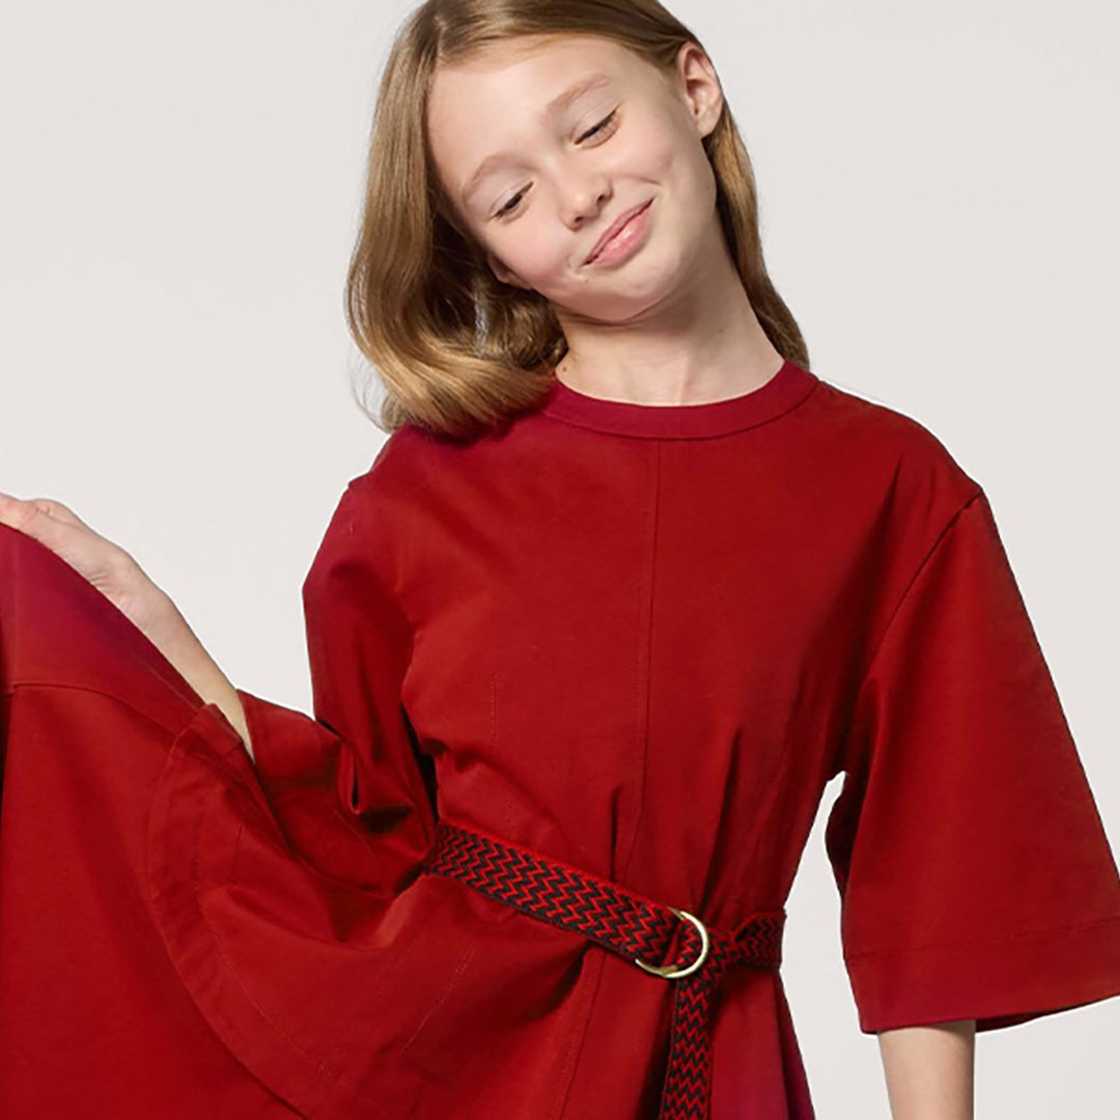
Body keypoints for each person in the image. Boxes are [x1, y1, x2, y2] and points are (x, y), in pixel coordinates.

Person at [1, 2, 1118, 1118]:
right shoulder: (419, 499)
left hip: (715, 1070)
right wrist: (157, 639)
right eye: (511, 197)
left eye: (590, 127)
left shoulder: (891, 487)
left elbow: (938, 883)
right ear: (488, 255)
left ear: (693, 87)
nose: (578, 195)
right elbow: (353, 838)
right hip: (456, 1068)